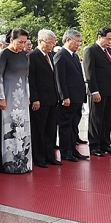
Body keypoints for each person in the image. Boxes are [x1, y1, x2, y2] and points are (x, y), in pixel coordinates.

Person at [0, 28, 32, 173]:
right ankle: (8, 162)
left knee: (22, 127)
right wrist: (1, 98)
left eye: (24, 42)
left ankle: (22, 162)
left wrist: (28, 95)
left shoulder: (24, 55)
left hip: (21, 95)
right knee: (9, 126)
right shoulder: (3, 55)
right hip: (7, 95)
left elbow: (26, 77)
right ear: (11, 40)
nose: (22, 45)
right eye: (20, 42)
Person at [83, 27, 111, 157]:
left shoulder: (110, 51)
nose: (110, 42)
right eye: (108, 39)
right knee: (96, 119)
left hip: (110, 91)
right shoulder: (90, 50)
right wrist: (94, 91)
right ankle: (94, 146)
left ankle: (105, 143)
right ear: (100, 37)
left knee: (107, 118)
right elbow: (90, 72)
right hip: (98, 92)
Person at [54, 30, 89, 162]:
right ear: (68, 40)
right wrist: (64, 96)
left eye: (80, 42)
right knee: (66, 125)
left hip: (77, 97)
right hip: (68, 98)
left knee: (74, 125)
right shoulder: (61, 55)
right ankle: (66, 152)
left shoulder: (74, 56)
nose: (78, 45)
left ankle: (73, 149)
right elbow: (60, 78)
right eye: (76, 42)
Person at [28, 29, 61, 168]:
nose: (52, 46)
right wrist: (34, 98)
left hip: (52, 99)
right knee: (39, 130)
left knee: (51, 130)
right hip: (39, 101)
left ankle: (50, 155)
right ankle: (39, 157)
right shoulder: (32, 56)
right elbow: (31, 80)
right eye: (50, 43)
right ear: (40, 41)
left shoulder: (52, 55)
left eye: (54, 43)